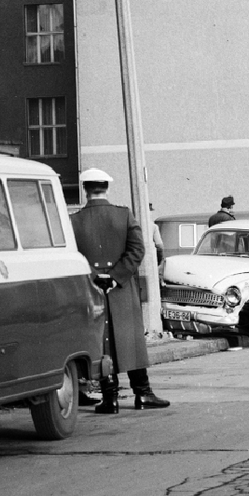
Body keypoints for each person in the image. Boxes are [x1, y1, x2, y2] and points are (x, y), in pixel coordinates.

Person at [71, 168, 170, 412]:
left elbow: (71, 256)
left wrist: (95, 277)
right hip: (122, 288)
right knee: (131, 340)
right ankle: (143, 394)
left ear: (85, 189)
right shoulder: (124, 215)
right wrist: (116, 276)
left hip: (91, 290)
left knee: (102, 342)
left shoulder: (73, 220)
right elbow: (138, 250)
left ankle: (110, 398)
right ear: (106, 186)